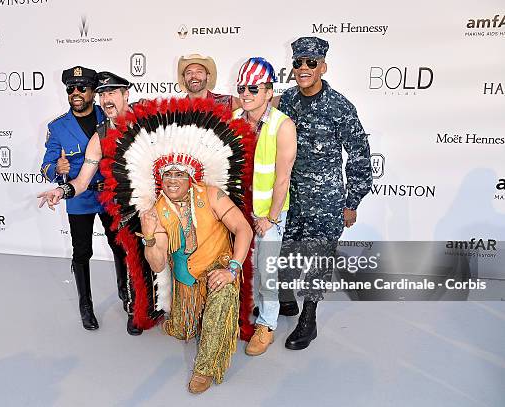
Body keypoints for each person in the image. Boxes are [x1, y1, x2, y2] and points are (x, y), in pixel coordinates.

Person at [38, 98, 256, 393]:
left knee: (222, 296)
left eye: (180, 174)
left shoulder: (212, 194)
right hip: (186, 283)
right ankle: (194, 318)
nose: (173, 180)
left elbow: (243, 228)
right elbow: (157, 264)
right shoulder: (155, 211)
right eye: (167, 175)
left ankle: (205, 368)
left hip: (220, 269)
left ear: (191, 177)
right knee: (181, 330)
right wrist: (151, 235)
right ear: (159, 179)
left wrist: (233, 268)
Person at [277, 37, 372, 350]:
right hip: (291, 196)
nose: (303, 68)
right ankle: (286, 301)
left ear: (323, 67)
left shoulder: (339, 107)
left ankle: (309, 317)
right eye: (298, 62)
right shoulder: (287, 101)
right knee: (287, 252)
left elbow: (359, 153)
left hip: (326, 198)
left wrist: (352, 202)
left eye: (311, 62)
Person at [233, 57, 297, 356]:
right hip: (236, 209)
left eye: (253, 88)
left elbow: (283, 177)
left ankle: (267, 323)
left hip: (267, 213)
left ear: (268, 92)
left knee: (267, 270)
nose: (245, 93)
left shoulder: (282, 125)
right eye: (242, 87)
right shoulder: (232, 119)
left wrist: (270, 218)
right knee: (238, 263)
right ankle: (236, 314)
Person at [40, 66, 106, 331]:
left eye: (82, 88)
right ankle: (86, 305)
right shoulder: (57, 127)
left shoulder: (109, 115)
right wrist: (58, 168)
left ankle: (128, 297)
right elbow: (45, 167)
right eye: (71, 89)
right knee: (82, 251)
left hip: (110, 195)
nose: (76, 93)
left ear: (93, 91)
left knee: (120, 247)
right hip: (79, 198)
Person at [93, 70, 143, 335]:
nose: (106, 99)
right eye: (102, 94)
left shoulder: (147, 120)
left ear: (126, 94)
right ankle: (134, 310)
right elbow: (84, 175)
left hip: (154, 201)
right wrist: (64, 190)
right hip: (123, 207)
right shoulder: (100, 133)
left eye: (111, 92)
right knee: (130, 254)